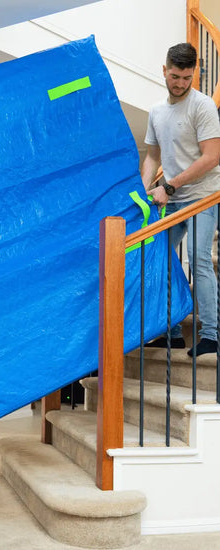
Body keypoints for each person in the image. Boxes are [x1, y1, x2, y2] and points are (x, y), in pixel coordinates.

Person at [142, 42, 220, 356]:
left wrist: (169, 186)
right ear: (164, 71)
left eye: (187, 78)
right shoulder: (156, 112)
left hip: (201, 197)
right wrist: (144, 189)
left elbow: (212, 157)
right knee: (161, 260)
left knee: (199, 259)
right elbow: (151, 157)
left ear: (194, 75)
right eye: (175, 76)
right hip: (170, 201)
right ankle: (172, 332)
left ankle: (211, 336)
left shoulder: (203, 106)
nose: (180, 83)